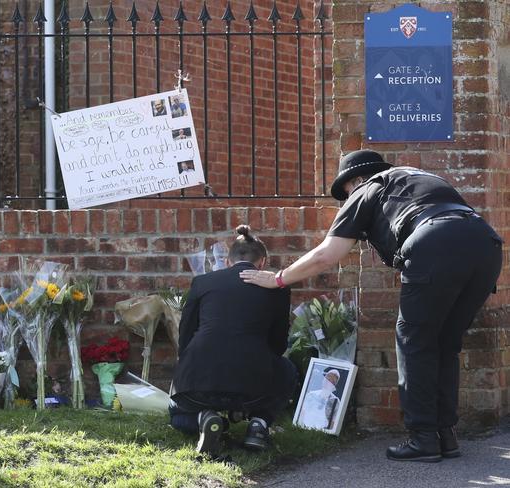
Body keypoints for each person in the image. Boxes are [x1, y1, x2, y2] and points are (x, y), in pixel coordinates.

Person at [240, 149, 502, 463]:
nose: (346, 198)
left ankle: (423, 439)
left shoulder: (366, 188)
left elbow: (328, 254)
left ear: (356, 179)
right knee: (445, 343)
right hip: (485, 245)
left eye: (346, 191)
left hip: (435, 242)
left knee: (414, 341)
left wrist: (278, 279)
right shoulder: (417, 179)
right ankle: (445, 435)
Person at [170, 225, 298, 457]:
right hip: (253, 387)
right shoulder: (278, 289)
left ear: (227, 262)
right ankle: (258, 424)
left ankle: (206, 419)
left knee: (178, 416)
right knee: (287, 370)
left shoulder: (203, 282)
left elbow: (186, 334)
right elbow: (278, 344)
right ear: (262, 262)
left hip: (199, 382)